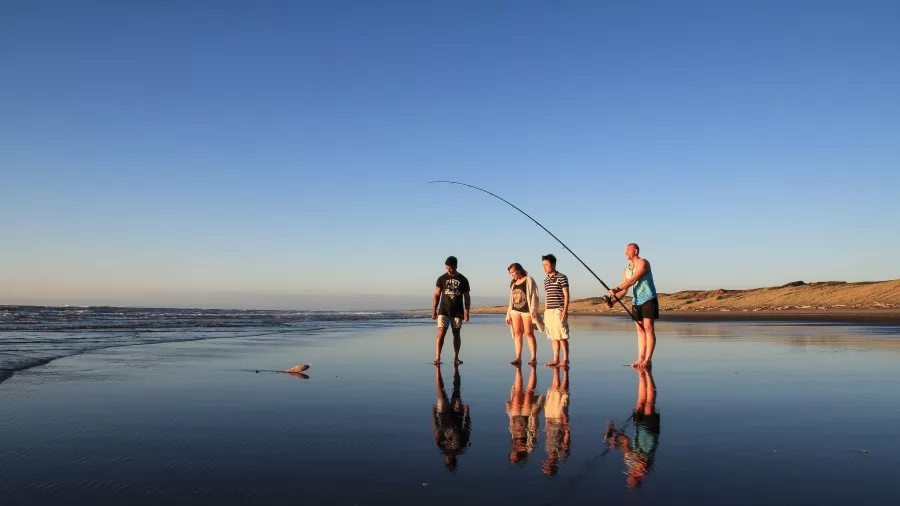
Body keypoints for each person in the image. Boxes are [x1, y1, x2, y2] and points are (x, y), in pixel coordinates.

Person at [603, 368, 660, 488]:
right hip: (649, 434)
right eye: (631, 481)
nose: (629, 479)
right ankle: (648, 375)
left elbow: (625, 442)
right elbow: (643, 461)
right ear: (637, 481)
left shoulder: (628, 463)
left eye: (628, 481)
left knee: (640, 403)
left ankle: (642, 374)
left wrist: (613, 435)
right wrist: (620, 445)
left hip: (638, 429)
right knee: (649, 405)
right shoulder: (644, 470)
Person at [607, 243, 658, 368]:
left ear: (635, 251)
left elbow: (633, 280)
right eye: (625, 251)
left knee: (648, 328)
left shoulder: (643, 263)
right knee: (640, 330)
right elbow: (624, 291)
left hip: (649, 299)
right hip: (636, 301)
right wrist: (612, 301)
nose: (625, 253)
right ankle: (640, 358)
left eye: (627, 251)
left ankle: (648, 359)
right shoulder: (625, 270)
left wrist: (616, 288)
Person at [432, 256, 471, 365]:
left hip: (457, 311)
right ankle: (437, 357)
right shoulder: (441, 279)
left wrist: (467, 311)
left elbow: (467, 297)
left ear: (456, 267)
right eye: (447, 268)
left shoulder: (463, 279)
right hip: (444, 310)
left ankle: (456, 357)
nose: (448, 270)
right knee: (441, 334)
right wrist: (434, 310)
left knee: (456, 334)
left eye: (450, 268)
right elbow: (436, 294)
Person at [431, 364, 471, 470]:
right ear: (454, 460)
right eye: (450, 461)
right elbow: (467, 429)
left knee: (440, 390)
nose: (448, 459)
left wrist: (433, 415)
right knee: (456, 390)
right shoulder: (461, 446)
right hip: (457, 413)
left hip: (443, 414)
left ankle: (438, 370)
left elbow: (436, 431)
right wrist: (467, 413)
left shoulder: (442, 447)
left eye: (448, 461)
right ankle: (456, 369)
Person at [506, 363, 543, 465]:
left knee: (517, 391)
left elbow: (512, 427)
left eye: (511, 454)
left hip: (515, 415)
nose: (513, 452)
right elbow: (534, 430)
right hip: (527, 416)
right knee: (529, 392)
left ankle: (518, 368)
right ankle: (533, 369)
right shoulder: (529, 446)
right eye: (514, 456)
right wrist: (534, 414)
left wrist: (508, 411)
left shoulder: (513, 441)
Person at [505, 262, 541, 365]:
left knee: (529, 333)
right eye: (510, 273)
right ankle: (518, 357)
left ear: (519, 270)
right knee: (517, 333)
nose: (512, 274)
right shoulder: (513, 283)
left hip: (527, 311)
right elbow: (511, 301)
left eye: (513, 272)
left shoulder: (529, 280)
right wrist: (508, 315)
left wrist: (533, 310)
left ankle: (533, 357)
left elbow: (534, 295)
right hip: (515, 311)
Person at [542, 254, 570, 367]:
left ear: (553, 264)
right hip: (549, 310)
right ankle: (555, 359)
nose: (544, 267)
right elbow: (547, 296)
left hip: (559, 309)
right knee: (553, 336)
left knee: (561, 336)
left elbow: (566, 294)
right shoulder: (546, 280)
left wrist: (565, 310)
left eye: (546, 265)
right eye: (543, 265)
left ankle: (566, 359)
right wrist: (545, 311)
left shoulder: (562, 277)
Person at [542, 365, 571, 476]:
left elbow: (548, 436)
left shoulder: (547, 450)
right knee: (563, 393)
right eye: (547, 467)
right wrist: (566, 422)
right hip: (559, 421)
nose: (546, 464)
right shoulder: (562, 455)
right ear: (553, 466)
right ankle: (565, 372)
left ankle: (558, 369)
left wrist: (546, 422)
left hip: (550, 418)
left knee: (554, 391)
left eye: (545, 466)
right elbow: (566, 439)